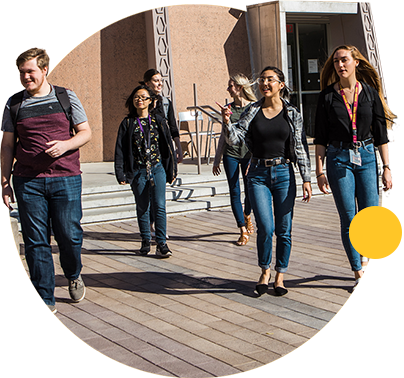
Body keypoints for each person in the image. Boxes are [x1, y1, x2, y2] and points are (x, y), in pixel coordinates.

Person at [1, 48, 91, 312]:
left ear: (44, 70)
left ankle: (73, 274)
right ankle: (44, 297)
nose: (25, 77)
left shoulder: (65, 97)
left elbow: (85, 133)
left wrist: (65, 145)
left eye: (30, 71)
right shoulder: (14, 104)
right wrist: (5, 182)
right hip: (28, 181)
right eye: (21, 72)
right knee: (35, 241)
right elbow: (6, 146)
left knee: (69, 235)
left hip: (66, 178)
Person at [220, 66, 312, 297]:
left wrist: (306, 179)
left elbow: (300, 147)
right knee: (266, 227)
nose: (265, 83)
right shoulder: (252, 110)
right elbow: (233, 139)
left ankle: (280, 275)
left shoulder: (292, 113)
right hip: (258, 174)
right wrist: (226, 121)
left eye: (270, 79)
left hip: (283, 173)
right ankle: (264, 271)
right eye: (262, 80)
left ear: (281, 84)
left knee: (284, 229)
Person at [314, 45, 393, 281]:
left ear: (356, 62)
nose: (340, 65)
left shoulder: (369, 93)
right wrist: (319, 171)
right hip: (339, 159)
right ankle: (358, 270)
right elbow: (320, 137)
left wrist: (387, 167)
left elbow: (380, 134)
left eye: (345, 60)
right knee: (349, 217)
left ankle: (368, 259)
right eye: (337, 61)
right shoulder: (327, 96)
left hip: (367, 156)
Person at [114, 84, 177, 257]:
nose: (139, 100)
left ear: (150, 101)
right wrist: (121, 173)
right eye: (136, 97)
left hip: (157, 168)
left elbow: (168, 148)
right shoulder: (127, 123)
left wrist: (172, 170)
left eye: (143, 97)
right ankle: (145, 241)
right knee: (142, 207)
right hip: (138, 171)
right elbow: (120, 150)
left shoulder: (158, 121)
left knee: (160, 206)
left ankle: (162, 243)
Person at [212, 74, 257, 246]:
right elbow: (224, 136)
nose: (228, 89)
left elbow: (256, 135)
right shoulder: (228, 108)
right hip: (230, 155)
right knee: (234, 191)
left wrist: (254, 159)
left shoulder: (252, 108)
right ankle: (242, 229)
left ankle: (247, 215)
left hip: (248, 155)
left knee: (251, 190)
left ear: (239, 87)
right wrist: (217, 159)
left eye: (230, 86)